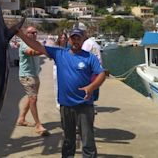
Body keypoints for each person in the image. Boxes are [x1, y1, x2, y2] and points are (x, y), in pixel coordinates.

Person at [17, 27, 106, 158]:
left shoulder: (90, 57)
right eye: (73, 38)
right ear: (69, 39)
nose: (75, 40)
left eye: (78, 38)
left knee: (88, 142)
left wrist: (91, 87)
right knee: (68, 141)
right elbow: (38, 46)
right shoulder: (59, 53)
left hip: (84, 106)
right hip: (66, 106)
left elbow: (101, 74)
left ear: (83, 40)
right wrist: (21, 35)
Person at [16, 26, 49, 136]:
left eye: (35, 32)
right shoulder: (24, 44)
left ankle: (21, 119)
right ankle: (38, 125)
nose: (34, 34)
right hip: (27, 76)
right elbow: (31, 52)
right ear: (26, 34)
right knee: (33, 99)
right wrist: (45, 50)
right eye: (31, 33)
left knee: (31, 98)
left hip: (35, 75)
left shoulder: (36, 43)